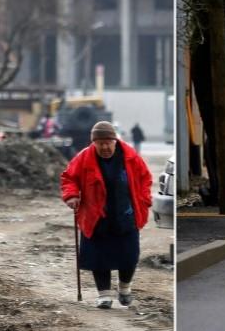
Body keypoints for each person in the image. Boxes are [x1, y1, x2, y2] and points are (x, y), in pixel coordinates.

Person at [61, 121, 153, 308]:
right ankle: (104, 295)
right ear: (93, 143)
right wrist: (71, 196)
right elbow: (69, 178)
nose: (104, 147)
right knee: (99, 256)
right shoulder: (84, 157)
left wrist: (144, 200)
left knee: (128, 255)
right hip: (96, 216)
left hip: (125, 214)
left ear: (115, 140)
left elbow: (145, 179)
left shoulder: (130, 157)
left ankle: (125, 288)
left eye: (107, 142)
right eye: (99, 143)